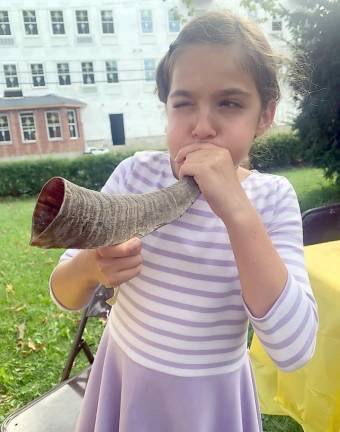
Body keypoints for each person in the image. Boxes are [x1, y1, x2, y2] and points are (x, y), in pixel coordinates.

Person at [50, 10, 319, 432]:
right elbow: (64, 293)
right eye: (183, 103)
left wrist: (237, 213)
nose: (202, 127)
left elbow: (294, 349)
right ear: (166, 107)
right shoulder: (135, 175)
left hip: (211, 405)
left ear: (264, 116)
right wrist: (89, 266)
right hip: (125, 384)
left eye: (229, 103)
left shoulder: (270, 202)